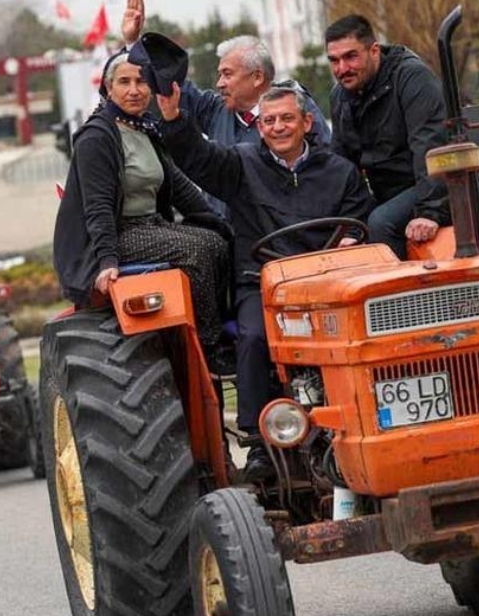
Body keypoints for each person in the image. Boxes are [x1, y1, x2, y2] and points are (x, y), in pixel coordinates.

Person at [156, 82, 374, 480]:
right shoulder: (240, 165)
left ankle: (362, 420)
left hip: (326, 285)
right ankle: (259, 443)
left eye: (287, 118)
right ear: (258, 127)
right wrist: (173, 119)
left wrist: (347, 241)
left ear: (307, 122)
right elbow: (198, 158)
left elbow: (357, 221)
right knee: (254, 337)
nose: (277, 127)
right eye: (269, 120)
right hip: (262, 282)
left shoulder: (339, 172)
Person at [53, 50, 233, 372]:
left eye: (140, 81)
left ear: (151, 88)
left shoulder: (146, 128)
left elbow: (179, 186)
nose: (134, 90)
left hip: (151, 226)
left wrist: (217, 222)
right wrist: (107, 260)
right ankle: (210, 346)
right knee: (197, 250)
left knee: (220, 243)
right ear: (108, 89)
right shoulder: (96, 138)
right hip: (114, 236)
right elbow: (98, 207)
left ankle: (224, 328)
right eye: (124, 82)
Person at [122, 0, 331, 154]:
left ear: (257, 76)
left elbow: (325, 168)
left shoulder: (296, 109)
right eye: (220, 74)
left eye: (228, 74)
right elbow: (171, 84)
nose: (219, 83)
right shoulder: (216, 111)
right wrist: (133, 43)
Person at [326, 14, 450, 259]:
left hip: (433, 187)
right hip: (386, 193)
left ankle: (400, 297)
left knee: (381, 221)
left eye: (351, 56)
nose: (342, 69)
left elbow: (430, 146)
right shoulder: (340, 96)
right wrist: (348, 227)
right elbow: (343, 166)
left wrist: (430, 212)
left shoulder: (412, 78)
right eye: (334, 60)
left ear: (374, 51)